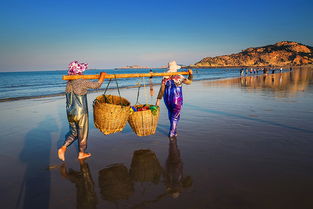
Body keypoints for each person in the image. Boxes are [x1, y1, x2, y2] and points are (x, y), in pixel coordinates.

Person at [58, 61, 106, 161]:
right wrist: (102, 76)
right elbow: (96, 85)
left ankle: (63, 147)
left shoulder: (69, 83)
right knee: (82, 133)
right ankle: (81, 153)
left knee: (74, 133)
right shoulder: (81, 81)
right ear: (79, 72)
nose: (83, 73)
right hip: (81, 112)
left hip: (70, 112)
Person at [156, 61, 193, 137]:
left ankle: (174, 131)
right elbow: (189, 82)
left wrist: (158, 100)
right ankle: (172, 132)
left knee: (172, 114)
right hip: (177, 98)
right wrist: (191, 74)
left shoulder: (164, 77)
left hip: (167, 99)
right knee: (175, 116)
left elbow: (162, 89)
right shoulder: (179, 76)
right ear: (175, 68)